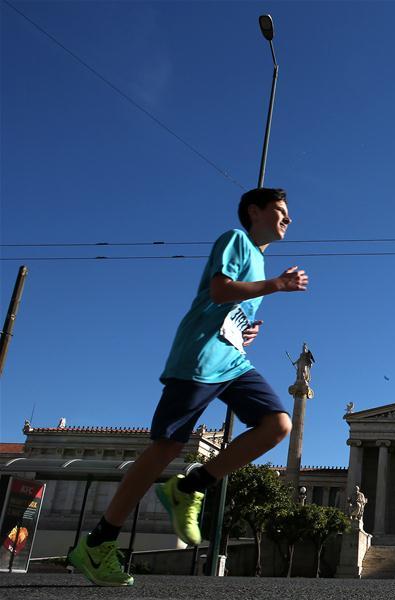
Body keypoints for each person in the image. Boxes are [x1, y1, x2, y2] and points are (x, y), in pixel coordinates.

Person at [68, 187, 307, 586]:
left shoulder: (261, 260)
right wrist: (276, 286)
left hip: (231, 359)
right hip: (200, 356)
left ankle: (191, 485)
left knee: (277, 425)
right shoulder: (236, 240)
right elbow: (219, 290)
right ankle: (98, 542)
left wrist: (243, 331)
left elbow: (226, 309)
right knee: (166, 447)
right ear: (255, 211)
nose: (288, 218)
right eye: (280, 210)